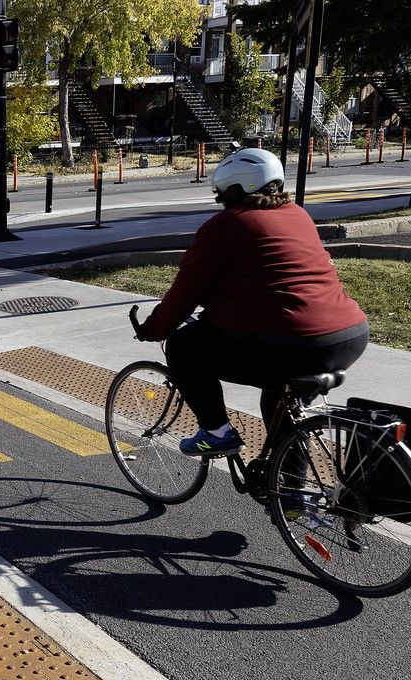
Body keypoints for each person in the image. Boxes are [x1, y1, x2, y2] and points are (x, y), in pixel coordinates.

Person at [136, 148, 369, 457]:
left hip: (295, 342)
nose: (220, 200)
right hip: (348, 335)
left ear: (237, 189)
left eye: (222, 192)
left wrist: (154, 328)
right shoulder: (298, 214)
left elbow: (185, 293)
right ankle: (293, 498)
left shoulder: (227, 225)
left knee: (181, 345)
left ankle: (217, 432)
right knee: (279, 403)